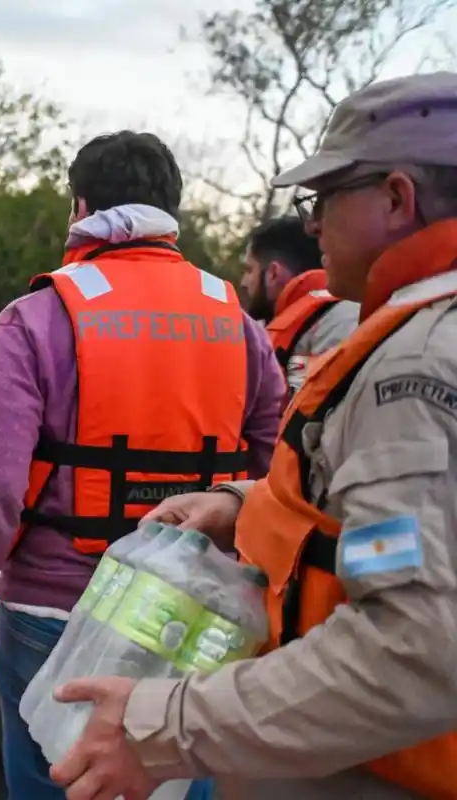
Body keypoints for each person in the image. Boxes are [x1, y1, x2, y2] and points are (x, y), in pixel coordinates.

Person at [47, 72, 457, 800]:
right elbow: (372, 520)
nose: (311, 224)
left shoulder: (420, 363)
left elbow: (417, 645)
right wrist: (243, 502)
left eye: (326, 197)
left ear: (397, 199)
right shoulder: (410, 337)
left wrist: (164, 727)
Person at [0, 130, 285, 800]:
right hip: (189, 612)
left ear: (80, 207)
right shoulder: (238, 322)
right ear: (171, 213)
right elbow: (276, 471)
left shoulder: (34, 318)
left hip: (52, 607)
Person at [240, 215, 359, 393]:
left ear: (273, 273)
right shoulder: (333, 318)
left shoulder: (336, 324)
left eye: (250, 270)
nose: (244, 281)